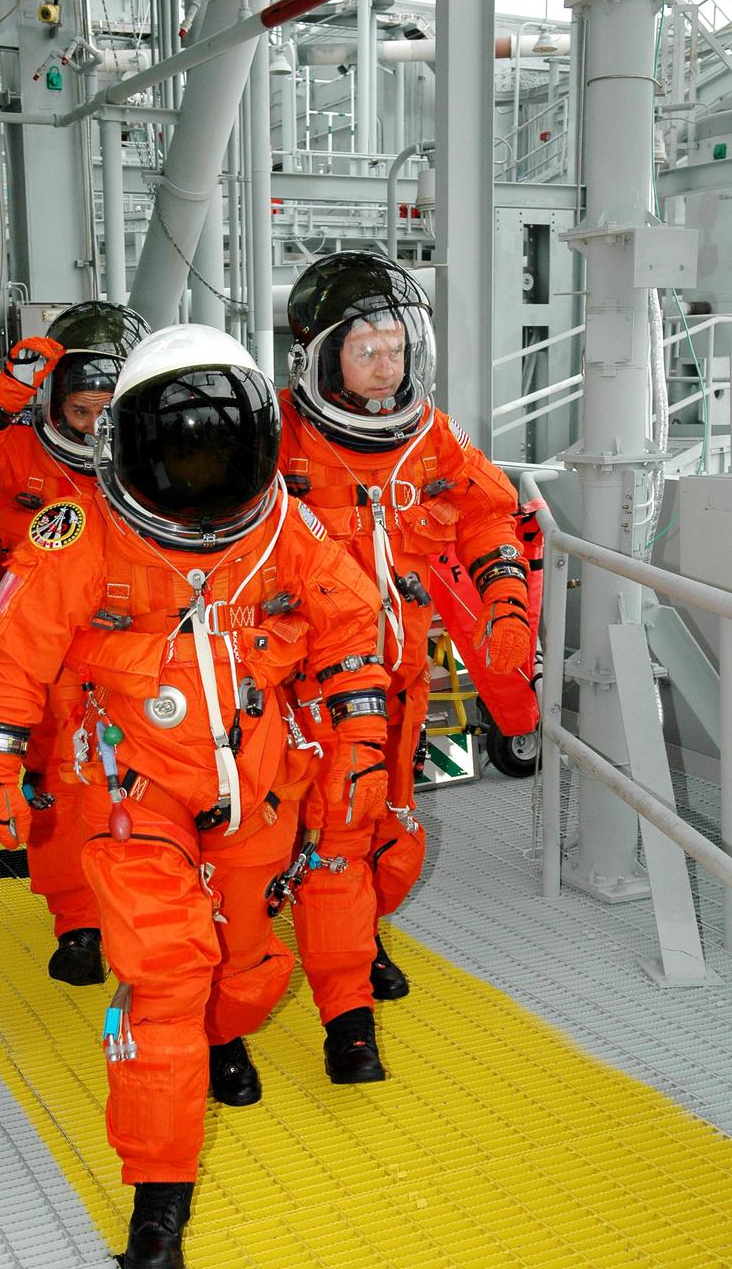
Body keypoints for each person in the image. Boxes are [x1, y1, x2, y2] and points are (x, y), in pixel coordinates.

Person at [0, 324, 389, 1269]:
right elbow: (14, 650)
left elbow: (351, 634)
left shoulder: (287, 528)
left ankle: (222, 1036)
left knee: (242, 968)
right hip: (133, 784)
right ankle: (159, 1197)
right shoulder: (79, 530)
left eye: (219, 451)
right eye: (181, 450)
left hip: (254, 786)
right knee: (161, 979)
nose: (201, 480)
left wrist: (359, 743)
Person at [279, 250, 532, 1082]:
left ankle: (357, 935)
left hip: (403, 681)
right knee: (331, 842)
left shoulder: (430, 435)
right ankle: (344, 1016)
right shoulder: (275, 439)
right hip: (306, 689)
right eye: (367, 350)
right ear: (320, 358)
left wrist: (504, 604)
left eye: (396, 346)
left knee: (390, 834)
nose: (387, 364)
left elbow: (488, 514)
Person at [0, 300, 150, 985]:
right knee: (56, 788)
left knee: (144, 781)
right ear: (55, 406)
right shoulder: (24, 453)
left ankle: (146, 906)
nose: (93, 425)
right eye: (81, 410)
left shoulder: (156, 460)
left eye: (107, 409)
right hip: (45, 646)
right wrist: (7, 389)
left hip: (133, 644)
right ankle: (77, 924)